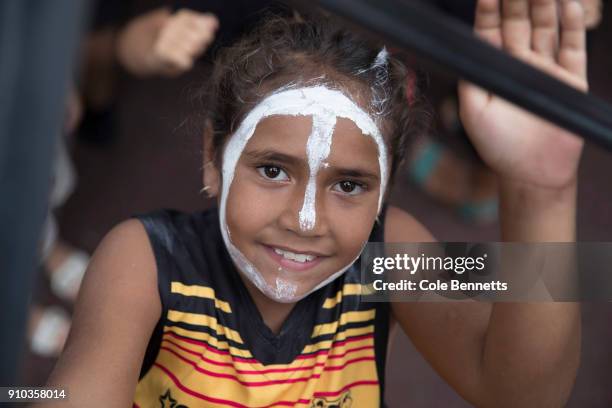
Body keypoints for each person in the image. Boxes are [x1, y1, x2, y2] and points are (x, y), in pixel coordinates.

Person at [41, 0, 585, 406]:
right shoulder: (141, 260)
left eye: (348, 184)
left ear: (387, 185)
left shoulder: (393, 257)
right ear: (214, 157)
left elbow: (524, 389)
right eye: (273, 170)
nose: (306, 220)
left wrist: (540, 192)